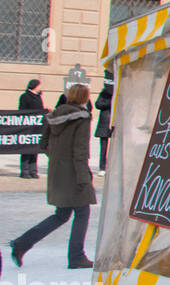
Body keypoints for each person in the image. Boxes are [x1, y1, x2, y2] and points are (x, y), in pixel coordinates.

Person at [8, 83, 96, 272]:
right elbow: (80, 151)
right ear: (84, 98)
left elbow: (43, 143)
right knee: (82, 213)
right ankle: (76, 256)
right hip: (74, 173)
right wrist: (83, 178)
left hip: (58, 172)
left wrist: (58, 159)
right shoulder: (82, 118)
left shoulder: (54, 115)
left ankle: (22, 243)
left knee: (61, 215)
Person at [17, 78, 45, 179]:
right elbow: (22, 110)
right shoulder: (25, 96)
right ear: (35, 86)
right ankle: (24, 170)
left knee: (35, 149)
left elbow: (40, 109)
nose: (40, 88)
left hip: (37, 126)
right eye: (39, 85)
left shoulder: (38, 97)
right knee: (27, 148)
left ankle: (33, 170)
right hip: (28, 126)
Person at [94, 71, 114, 173]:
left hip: (114, 121)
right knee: (104, 146)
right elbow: (98, 104)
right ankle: (102, 166)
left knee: (114, 146)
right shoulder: (104, 93)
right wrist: (109, 102)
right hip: (104, 122)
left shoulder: (119, 92)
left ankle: (112, 165)